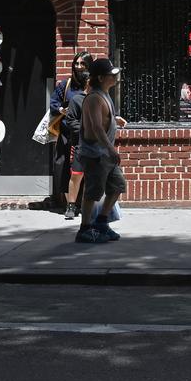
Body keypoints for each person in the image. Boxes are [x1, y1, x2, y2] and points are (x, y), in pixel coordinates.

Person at [75, 57, 127, 244]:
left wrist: (115, 118)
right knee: (93, 192)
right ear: (100, 78)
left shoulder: (104, 95)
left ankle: (101, 222)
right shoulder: (94, 98)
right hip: (96, 154)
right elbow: (96, 127)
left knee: (118, 185)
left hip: (105, 155)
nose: (115, 77)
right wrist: (111, 149)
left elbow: (104, 120)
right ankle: (84, 229)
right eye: (110, 75)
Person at [51, 52, 92, 218]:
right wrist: (61, 109)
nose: (79, 66)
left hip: (88, 135)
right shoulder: (65, 85)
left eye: (83, 63)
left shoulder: (92, 84)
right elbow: (53, 103)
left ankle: (84, 203)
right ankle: (69, 204)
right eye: (77, 63)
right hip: (68, 133)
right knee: (65, 168)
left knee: (85, 170)